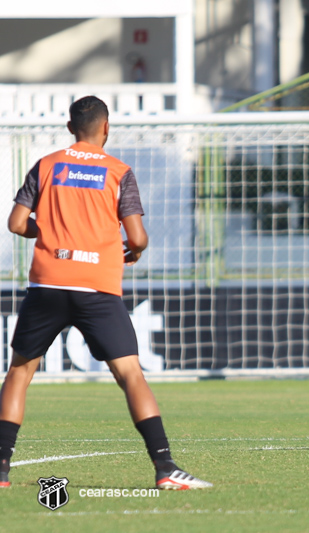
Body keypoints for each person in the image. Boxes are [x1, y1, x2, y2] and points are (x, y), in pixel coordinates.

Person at [0, 96, 212, 489]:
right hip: (96, 286)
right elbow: (136, 236)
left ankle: (0, 470)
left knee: (18, 373)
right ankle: (165, 468)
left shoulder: (47, 164)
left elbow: (16, 223)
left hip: (48, 282)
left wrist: (46, 233)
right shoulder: (118, 171)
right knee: (130, 374)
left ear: (69, 129)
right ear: (106, 128)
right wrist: (138, 249)